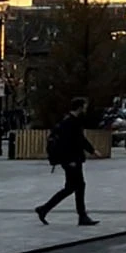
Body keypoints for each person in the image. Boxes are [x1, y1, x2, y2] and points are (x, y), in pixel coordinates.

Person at [36, 97, 99, 226]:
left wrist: (92, 150)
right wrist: (71, 159)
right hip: (71, 160)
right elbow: (70, 142)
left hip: (73, 159)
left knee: (71, 187)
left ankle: (44, 209)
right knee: (78, 186)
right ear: (80, 107)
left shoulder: (72, 121)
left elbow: (80, 139)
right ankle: (82, 216)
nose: (86, 109)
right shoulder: (70, 123)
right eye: (85, 107)